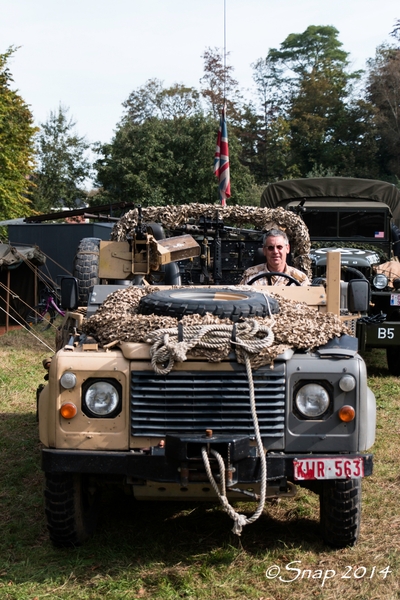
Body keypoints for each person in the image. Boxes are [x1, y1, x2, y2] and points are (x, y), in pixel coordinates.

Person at [240, 228, 310, 286]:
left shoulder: (300, 279)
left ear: (287, 248)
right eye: (270, 248)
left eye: (279, 247)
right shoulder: (250, 276)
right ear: (264, 250)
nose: (275, 252)